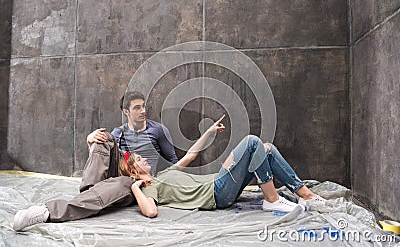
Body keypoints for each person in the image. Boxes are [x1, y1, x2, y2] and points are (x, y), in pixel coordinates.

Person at [13, 91, 179, 231]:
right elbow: (103, 154)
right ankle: (90, 193)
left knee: (123, 182)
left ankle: (47, 212)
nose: (143, 111)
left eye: (143, 106)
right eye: (137, 108)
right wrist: (90, 140)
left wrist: (162, 181)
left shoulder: (157, 130)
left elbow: (172, 159)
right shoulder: (119, 132)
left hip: (141, 176)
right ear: (126, 112)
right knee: (103, 137)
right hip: (125, 164)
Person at [120, 115, 326, 218]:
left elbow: (191, 155)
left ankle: (305, 193)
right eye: (139, 160)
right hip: (216, 193)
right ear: (134, 171)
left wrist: (208, 132)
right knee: (252, 142)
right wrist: (135, 186)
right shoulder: (150, 188)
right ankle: (272, 199)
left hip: (220, 183)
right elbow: (150, 212)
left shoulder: (164, 174)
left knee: (267, 148)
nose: (145, 160)